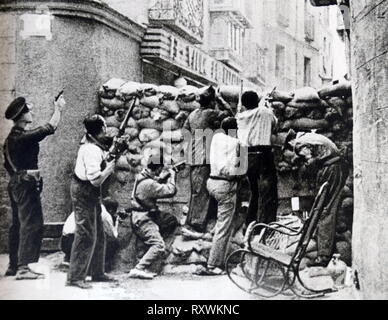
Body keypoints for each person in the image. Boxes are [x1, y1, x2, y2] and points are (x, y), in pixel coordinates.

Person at [3, 94, 65, 279]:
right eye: (28, 111)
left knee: (17, 225)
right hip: (25, 184)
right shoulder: (22, 137)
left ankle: (13, 266)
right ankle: (23, 268)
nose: (31, 113)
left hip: (16, 183)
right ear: (22, 116)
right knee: (31, 223)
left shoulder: (10, 139)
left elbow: (8, 164)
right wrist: (58, 108)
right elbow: (50, 128)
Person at [285, 129, 349, 267]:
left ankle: (323, 256)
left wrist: (302, 166)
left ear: (291, 141)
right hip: (336, 166)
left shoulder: (299, 143)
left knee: (325, 210)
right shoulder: (311, 137)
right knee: (327, 209)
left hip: (332, 168)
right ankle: (323, 245)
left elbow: (311, 160)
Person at [67, 115, 117, 289]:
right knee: (85, 234)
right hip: (84, 190)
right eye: (105, 127)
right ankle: (75, 277)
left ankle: (97, 272)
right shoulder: (91, 150)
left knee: (99, 234)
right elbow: (95, 179)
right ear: (102, 129)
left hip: (90, 192)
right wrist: (109, 170)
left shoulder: (95, 146)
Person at [201, 117, 247, 275]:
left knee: (226, 223)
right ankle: (213, 264)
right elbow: (241, 168)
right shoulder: (236, 143)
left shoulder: (216, 138)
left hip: (212, 182)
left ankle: (221, 260)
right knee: (223, 226)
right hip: (225, 185)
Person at [183, 86, 231, 233]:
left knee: (196, 191)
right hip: (204, 158)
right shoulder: (210, 114)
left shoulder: (192, 115)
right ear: (211, 102)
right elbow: (230, 115)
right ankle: (197, 223)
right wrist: (220, 99)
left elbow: (185, 130)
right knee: (202, 192)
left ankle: (193, 221)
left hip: (194, 156)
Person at [128, 154, 179, 280]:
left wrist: (165, 176)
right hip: (143, 219)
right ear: (157, 169)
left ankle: (145, 262)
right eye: (160, 169)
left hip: (139, 216)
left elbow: (155, 182)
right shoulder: (148, 184)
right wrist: (172, 176)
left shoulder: (142, 176)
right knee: (159, 245)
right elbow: (170, 191)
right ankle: (139, 268)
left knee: (169, 221)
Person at [236, 91, 279, 225]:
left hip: (245, 155)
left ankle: (250, 222)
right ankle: (264, 223)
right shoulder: (265, 112)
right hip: (262, 154)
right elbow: (275, 125)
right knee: (267, 190)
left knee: (253, 191)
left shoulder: (240, 116)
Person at [61, 197, 120, 268]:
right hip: (76, 243)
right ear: (110, 210)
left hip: (64, 242)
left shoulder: (88, 206)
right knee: (113, 242)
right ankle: (99, 266)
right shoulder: (105, 214)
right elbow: (113, 235)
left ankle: (69, 258)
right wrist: (117, 223)